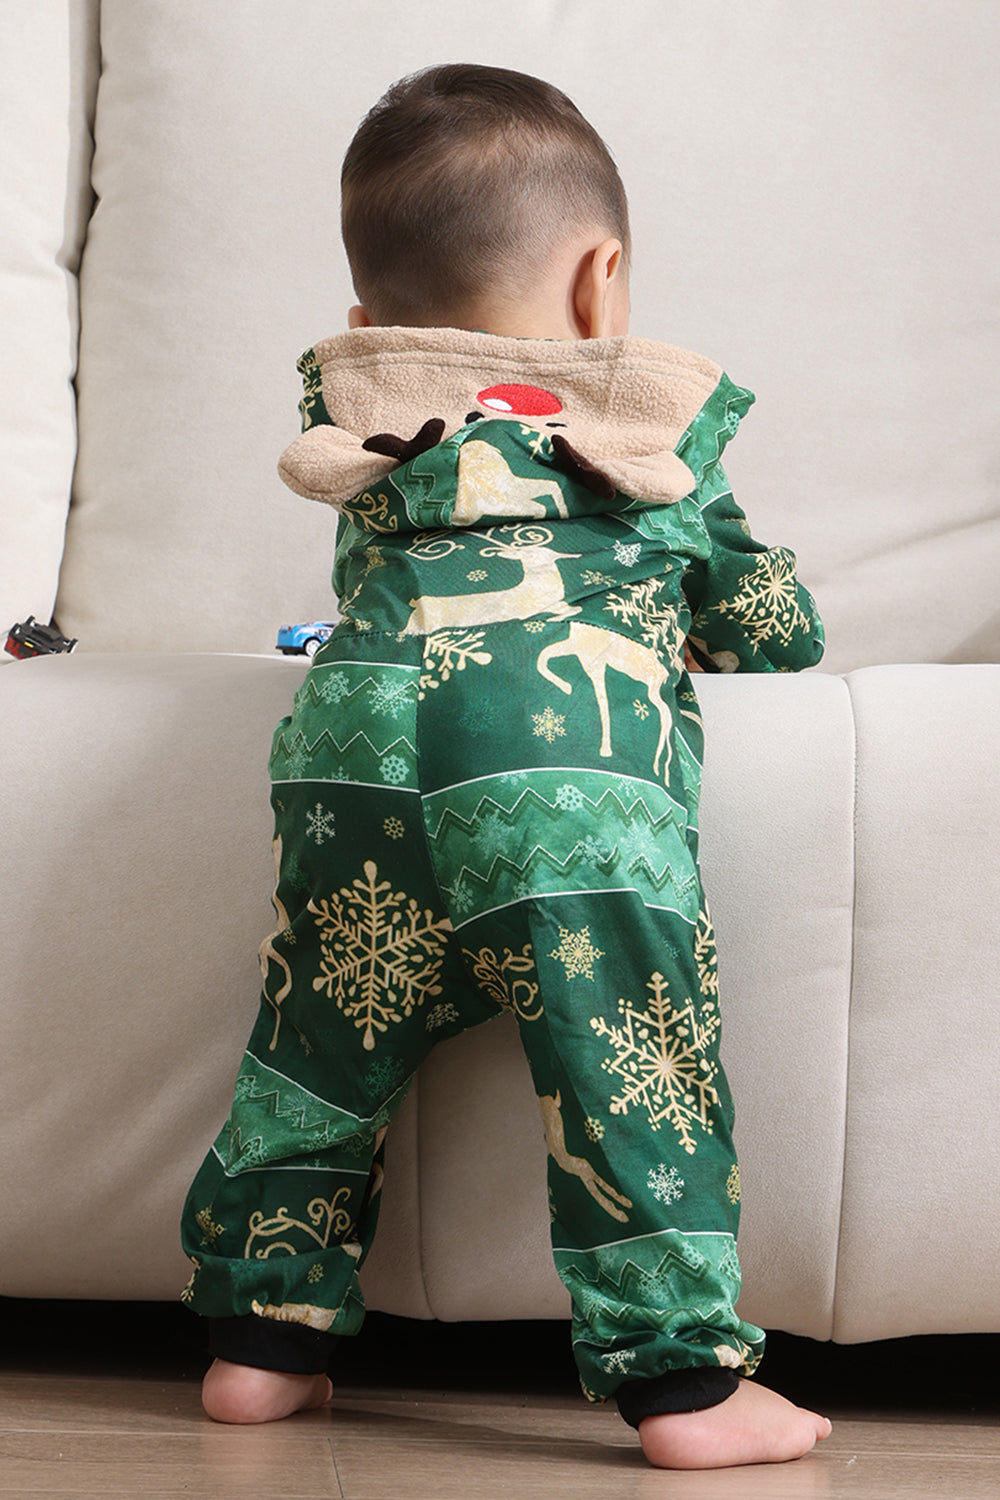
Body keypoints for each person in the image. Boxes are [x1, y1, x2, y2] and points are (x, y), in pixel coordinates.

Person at [180, 63, 831, 1469]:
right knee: (627, 1048)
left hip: (352, 755)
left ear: (373, 328)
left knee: (317, 1041)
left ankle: (261, 1340)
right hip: (562, 785)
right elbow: (775, 634)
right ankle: (685, 1384)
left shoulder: (376, 440)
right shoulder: (644, 438)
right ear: (603, 285)